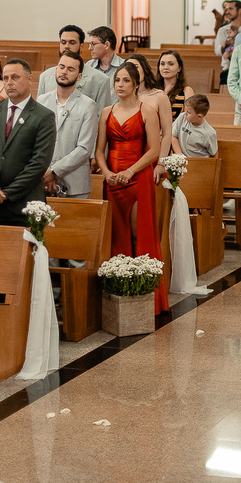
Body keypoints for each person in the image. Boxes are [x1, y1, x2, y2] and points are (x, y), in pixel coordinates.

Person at [95, 63, 168, 314]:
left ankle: (142, 293)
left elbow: (154, 150)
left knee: (138, 234)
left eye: (126, 80)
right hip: (113, 180)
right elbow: (99, 150)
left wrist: (130, 171)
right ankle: (119, 293)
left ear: (136, 84)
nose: (120, 85)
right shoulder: (107, 112)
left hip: (138, 177)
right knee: (116, 236)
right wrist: (107, 173)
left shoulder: (147, 111)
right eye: (117, 80)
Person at [0, 59, 57, 225]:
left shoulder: (43, 116)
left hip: (25, 204)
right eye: (6, 78)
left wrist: (7, 194)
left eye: (15, 77)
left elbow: (39, 162)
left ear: (30, 79)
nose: (9, 82)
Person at [37, 51, 99, 199]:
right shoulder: (41, 101)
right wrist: (45, 171)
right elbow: (34, 141)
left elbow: (84, 148)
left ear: (79, 76)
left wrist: (54, 171)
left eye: (71, 69)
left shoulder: (88, 105)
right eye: (62, 67)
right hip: (42, 180)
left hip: (75, 185)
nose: (64, 72)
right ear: (56, 70)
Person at [36, 25, 109, 111]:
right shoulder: (45, 76)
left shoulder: (100, 80)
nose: (67, 46)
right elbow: (39, 111)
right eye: (63, 42)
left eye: (72, 43)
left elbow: (102, 114)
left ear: (81, 46)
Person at [126, 53, 174, 163]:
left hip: (153, 154)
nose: (133, 71)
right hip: (128, 154)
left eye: (136, 67)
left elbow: (167, 133)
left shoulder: (159, 96)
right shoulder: (124, 97)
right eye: (129, 68)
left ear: (144, 69)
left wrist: (161, 163)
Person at [85, 26, 127, 106]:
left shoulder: (124, 66)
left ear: (107, 45)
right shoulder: (88, 66)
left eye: (93, 44)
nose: (90, 48)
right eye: (90, 44)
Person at [157, 50, 195, 119]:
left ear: (179, 68)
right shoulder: (152, 89)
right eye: (162, 64)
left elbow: (190, 119)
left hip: (177, 125)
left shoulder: (186, 91)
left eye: (171, 64)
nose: (165, 67)